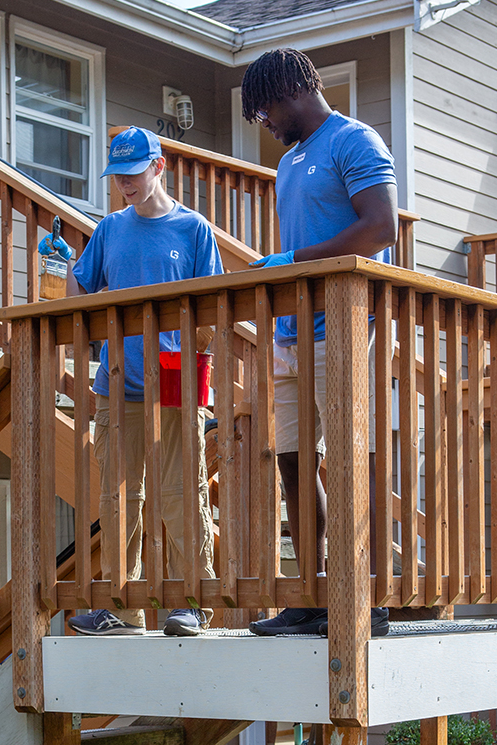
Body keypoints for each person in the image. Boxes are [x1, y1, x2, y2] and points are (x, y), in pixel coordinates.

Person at [40, 126, 223, 637]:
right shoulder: (109, 230)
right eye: (117, 175)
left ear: (158, 167)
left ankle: (194, 603)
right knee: (118, 498)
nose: (124, 183)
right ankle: (122, 607)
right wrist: (57, 265)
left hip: (174, 379)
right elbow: (79, 291)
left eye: (133, 172)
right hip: (116, 383)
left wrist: (194, 371)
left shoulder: (193, 230)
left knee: (182, 494)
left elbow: (212, 314)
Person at [240, 48, 397, 637]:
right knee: (292, 461)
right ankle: (313, 598)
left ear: (289, 91)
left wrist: (294, 260)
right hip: (289, 332)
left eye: (264, 110)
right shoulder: (290, 162)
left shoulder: (353, 141)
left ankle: (368, 601)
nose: (265, 123)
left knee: (354, 461)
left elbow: (380, 227)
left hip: (342, 324)